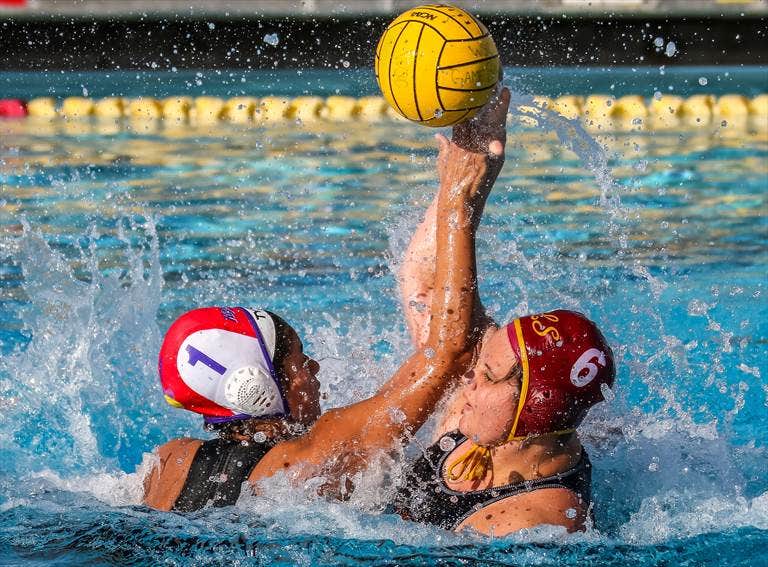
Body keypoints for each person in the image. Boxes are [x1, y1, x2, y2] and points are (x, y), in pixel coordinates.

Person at [142, 88, 512, 512]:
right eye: (297, 362)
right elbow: (452, 351)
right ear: (255, 388)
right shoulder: (310, 460)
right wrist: (458, 196)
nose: (312, 367)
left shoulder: (169, 462)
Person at [393, 139, 616, 535]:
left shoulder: (530, 524)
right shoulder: (503, 420)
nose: (468, 381)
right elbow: (429, 292)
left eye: (487, 375)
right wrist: (465, 175)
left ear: (535, 405)